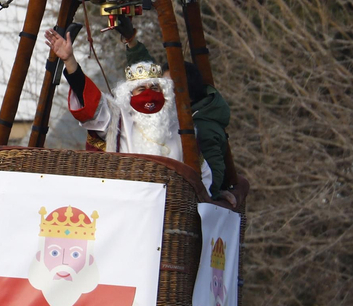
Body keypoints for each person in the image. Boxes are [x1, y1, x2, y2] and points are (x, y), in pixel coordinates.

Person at [44, 15, 236, 204]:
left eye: (155, 88)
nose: (149, 95)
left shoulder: (182, 129)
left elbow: (203, 176)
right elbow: (91, 101)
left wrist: (214, 196)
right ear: (129, 95)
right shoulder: (118, 121)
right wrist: (69, 61)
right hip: (127, 209)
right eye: (142, 89)